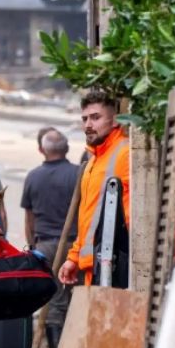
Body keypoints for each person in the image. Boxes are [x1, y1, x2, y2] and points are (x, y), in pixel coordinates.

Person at [59, 92, 130, 288]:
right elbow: (89, 217)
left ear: (115, 120)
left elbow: (131, 216)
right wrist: (73, 257)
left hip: (114, 266)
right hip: (96, 265)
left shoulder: (124, 154)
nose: (88, 125)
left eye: (95, 117)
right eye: (85, 118)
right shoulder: (93, 161)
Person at [20, 128, 79, 348]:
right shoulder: (79, 174)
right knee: (76, 297)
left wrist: (33, 245)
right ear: (66, 149)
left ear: (41, 150)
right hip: (76, 245)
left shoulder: (33, 176)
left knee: (54, 302)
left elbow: (29, 219)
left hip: (45, 246)